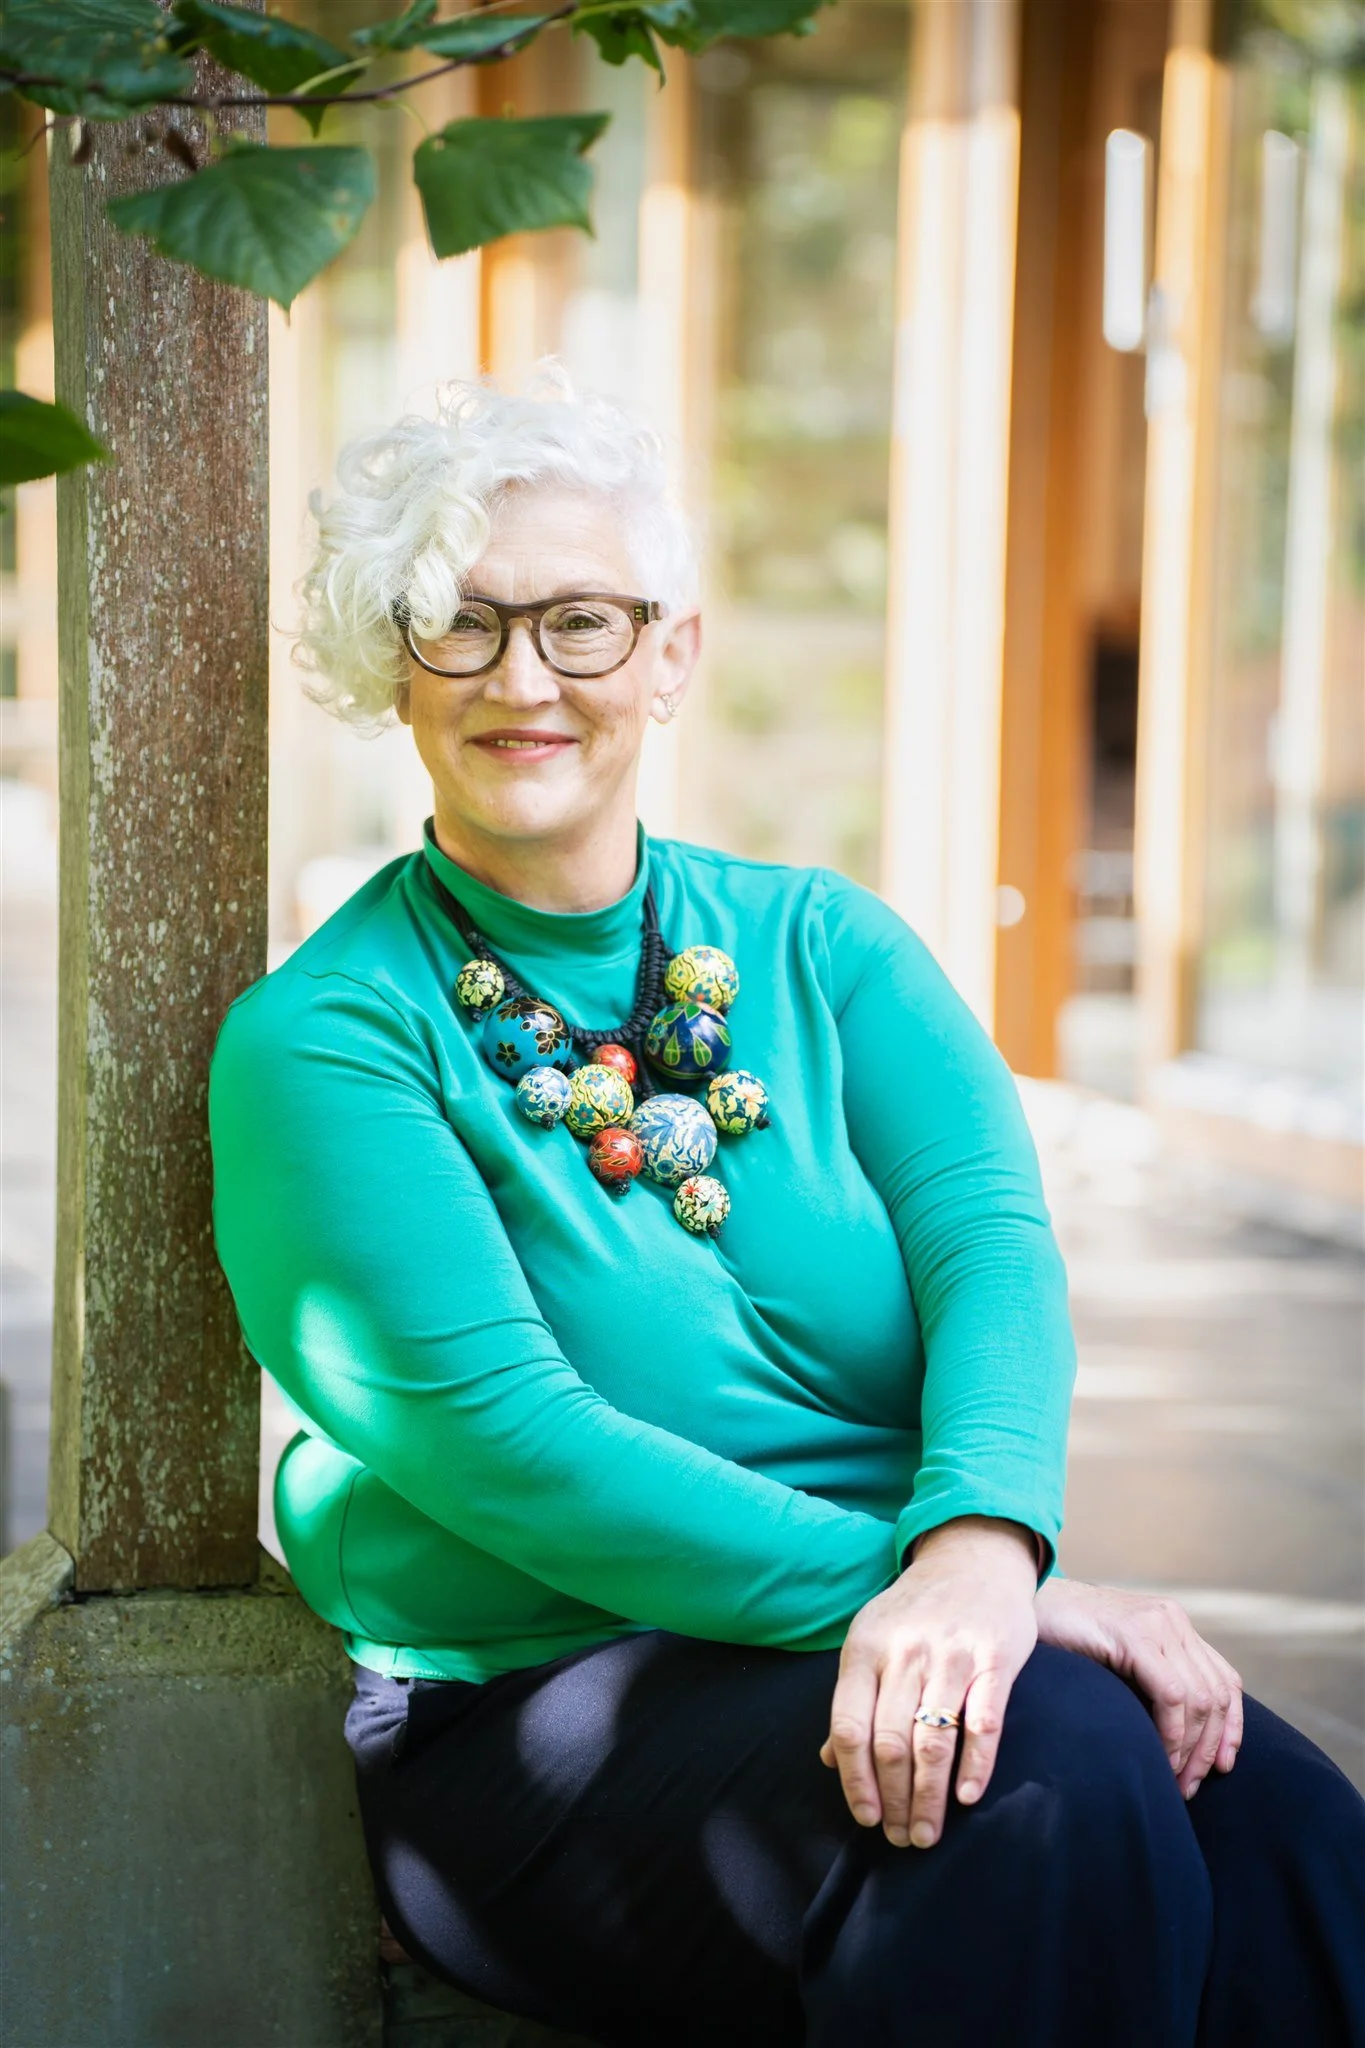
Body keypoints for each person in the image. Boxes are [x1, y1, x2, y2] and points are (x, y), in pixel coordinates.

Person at [209, 373, 1365, 2048]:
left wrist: (980, 1546)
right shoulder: (326, 1039)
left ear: (671, 653)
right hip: (534, 1708)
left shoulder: (827, 946)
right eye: (458, 624)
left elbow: (993, 1255)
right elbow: (504, 1441)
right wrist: (992, 1611)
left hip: (918, 1614)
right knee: (1051, 1769)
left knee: (1278, 1827)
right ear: (394, 665)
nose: (524, 676)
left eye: (582, 623)